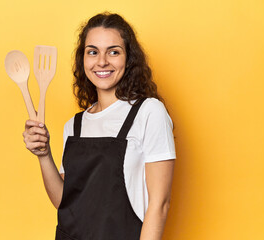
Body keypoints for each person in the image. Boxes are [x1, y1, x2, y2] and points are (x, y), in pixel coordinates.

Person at [23, 12, 176, 240]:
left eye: (113, 52)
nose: (102, 61)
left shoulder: (148, 112)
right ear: (82, 59)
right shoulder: (73, 126)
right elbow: (66, 203)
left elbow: (159, 204)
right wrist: (43, 155)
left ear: (129, 58)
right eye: (92, 52)